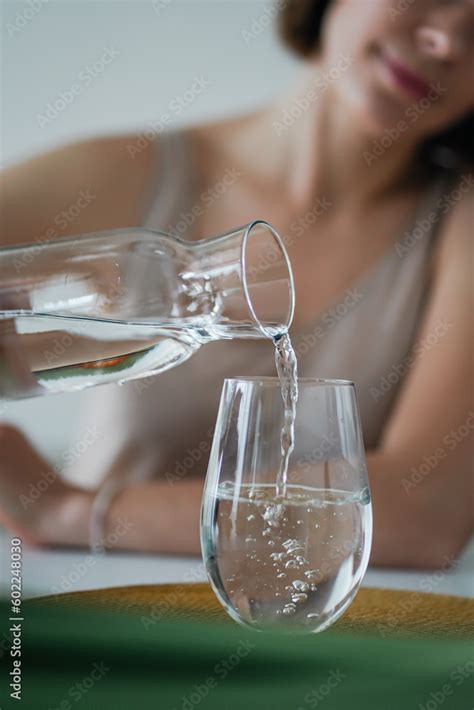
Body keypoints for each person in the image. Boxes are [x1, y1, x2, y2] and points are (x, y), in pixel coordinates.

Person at [0, 0, 472, 567]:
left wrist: (70, 512)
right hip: (88, 607)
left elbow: (423, 516)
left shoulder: (459, 225)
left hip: (327, 638)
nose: (448, 42)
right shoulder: (127, 173)